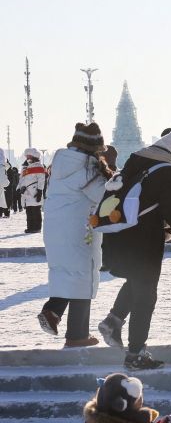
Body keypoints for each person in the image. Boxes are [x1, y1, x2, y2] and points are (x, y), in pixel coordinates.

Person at [97, 130, 171, 371]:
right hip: (144, 242)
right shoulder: (166, 171)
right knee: (146, 296)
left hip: (121, 237)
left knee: (136, 283)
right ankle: (135, 354)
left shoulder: (137, 163)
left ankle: (113, 321)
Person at [38, 123, 113, 348]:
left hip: (54, 228)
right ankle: (77, 335)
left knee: (64, 272)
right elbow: (103, 195)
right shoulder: (87, 167)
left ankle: (53, 311)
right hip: (78, 230)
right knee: (83, 276)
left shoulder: (61, 163)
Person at [17, 148, 47, 233]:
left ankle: (37, 227)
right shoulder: (25, 167)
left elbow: (41, 179)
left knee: (35, 210)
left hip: (34, 192)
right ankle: (30, 227)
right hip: (26, 193)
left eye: (28, 156)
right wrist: (20, 188)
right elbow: (22, 179)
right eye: (26, 156)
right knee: (29, 211)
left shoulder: (38, 166)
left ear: (34, 156)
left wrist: (40, 191)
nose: (27, 157)